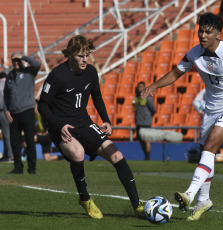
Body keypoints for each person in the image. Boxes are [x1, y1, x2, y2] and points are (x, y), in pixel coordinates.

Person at [141, 12, 223, 221]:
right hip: (211, 108)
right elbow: (176, 73)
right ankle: (204, 201)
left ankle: (190, 193)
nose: (203, 35)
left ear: (218, 34)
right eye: (200, 31)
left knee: (212, 144)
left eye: (208, 31)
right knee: (207, 152)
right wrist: (154, 86)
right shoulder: (195, 53)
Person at [38, 35, 144, 219]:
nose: (85, 59)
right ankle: (85, 199)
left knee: (117, 155)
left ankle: (137, 206)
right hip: (61, 126)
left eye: (87, 55)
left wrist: (106, 119)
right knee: (78, 153)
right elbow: (43, 105)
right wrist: (58, 125)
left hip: (84, 122)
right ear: (70, 55)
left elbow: (97, 96)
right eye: (80, 56)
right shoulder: (56, 75)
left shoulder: (91, 72)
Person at [4, 51, 40, 174]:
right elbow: (5, 95)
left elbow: (37, 64)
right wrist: (6, 110)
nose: (16, 63)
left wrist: (23, 57)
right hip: (13, 113)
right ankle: (18, 167)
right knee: (15, 141)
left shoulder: (29, 72)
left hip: (27, 111)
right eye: (14, 60)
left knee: (30, 140)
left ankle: (32, 168)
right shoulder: (9, 76)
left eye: (18, 60)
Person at [133, 81, 155, 160]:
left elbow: (153, 109)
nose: (140, 88)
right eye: (139, 87)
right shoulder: (137, 98)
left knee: (146, 139)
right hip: (138, 122)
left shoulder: (148, 98)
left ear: (144, 88)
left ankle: (148, 157)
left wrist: (147, 117)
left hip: (146, 122)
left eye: (141, 87)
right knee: (141, 140)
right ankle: (146, 155)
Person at [0, 71, 13, 162]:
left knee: (6, 134)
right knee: (7, 133)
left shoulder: (1, 85)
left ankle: (8, 155)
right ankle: (7, 154)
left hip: (2, 111)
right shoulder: (8, 84)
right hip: (9, 111)